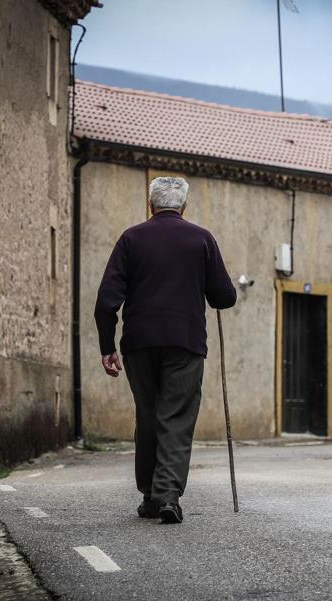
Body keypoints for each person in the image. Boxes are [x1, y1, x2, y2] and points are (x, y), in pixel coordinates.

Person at [94, 176, 237, 524]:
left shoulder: (131, 239)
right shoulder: (201, 239)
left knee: (148, 415)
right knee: (176, 417)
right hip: (186, 344)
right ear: (184, 206)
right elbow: (225, 296)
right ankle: (168, 495)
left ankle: (150, 495)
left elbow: (105, 302)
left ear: (151, 205)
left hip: (139, 344)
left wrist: (107, 346)